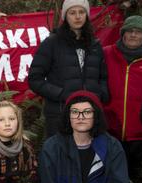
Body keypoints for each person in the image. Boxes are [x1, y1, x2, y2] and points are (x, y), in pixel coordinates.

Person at [28, 0, 109, 137]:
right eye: (72, 13)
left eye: (81, 12)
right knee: (61, 155)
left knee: (87, 155)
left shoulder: (95, 45)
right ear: (65, 16)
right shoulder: (52, 43)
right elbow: (35, 79)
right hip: (60, 114)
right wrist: (61, 94)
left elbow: (102, 77)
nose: (77, 17)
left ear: (87, 15)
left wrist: (100, 95)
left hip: (90, 114)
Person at [103, 16, 142, 180]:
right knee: (107, 170)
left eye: (138, 32)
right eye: (129, 31)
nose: (133, 35)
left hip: (140, 131)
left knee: (132, 173)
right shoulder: (107, 53)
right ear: (122, 34)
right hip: (109, 127)